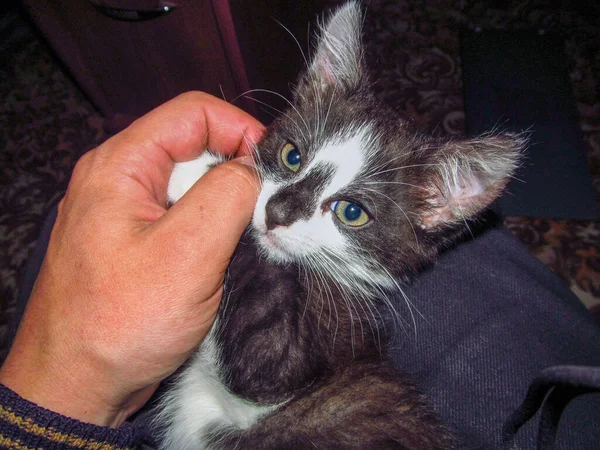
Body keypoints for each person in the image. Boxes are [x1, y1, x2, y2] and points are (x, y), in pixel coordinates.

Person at [1, 92, 599, 449]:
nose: (284, 210)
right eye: (291, 157)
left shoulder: (338, 306)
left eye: (353, 210)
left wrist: (210, 184)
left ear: (434, 212)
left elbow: (258, 374)